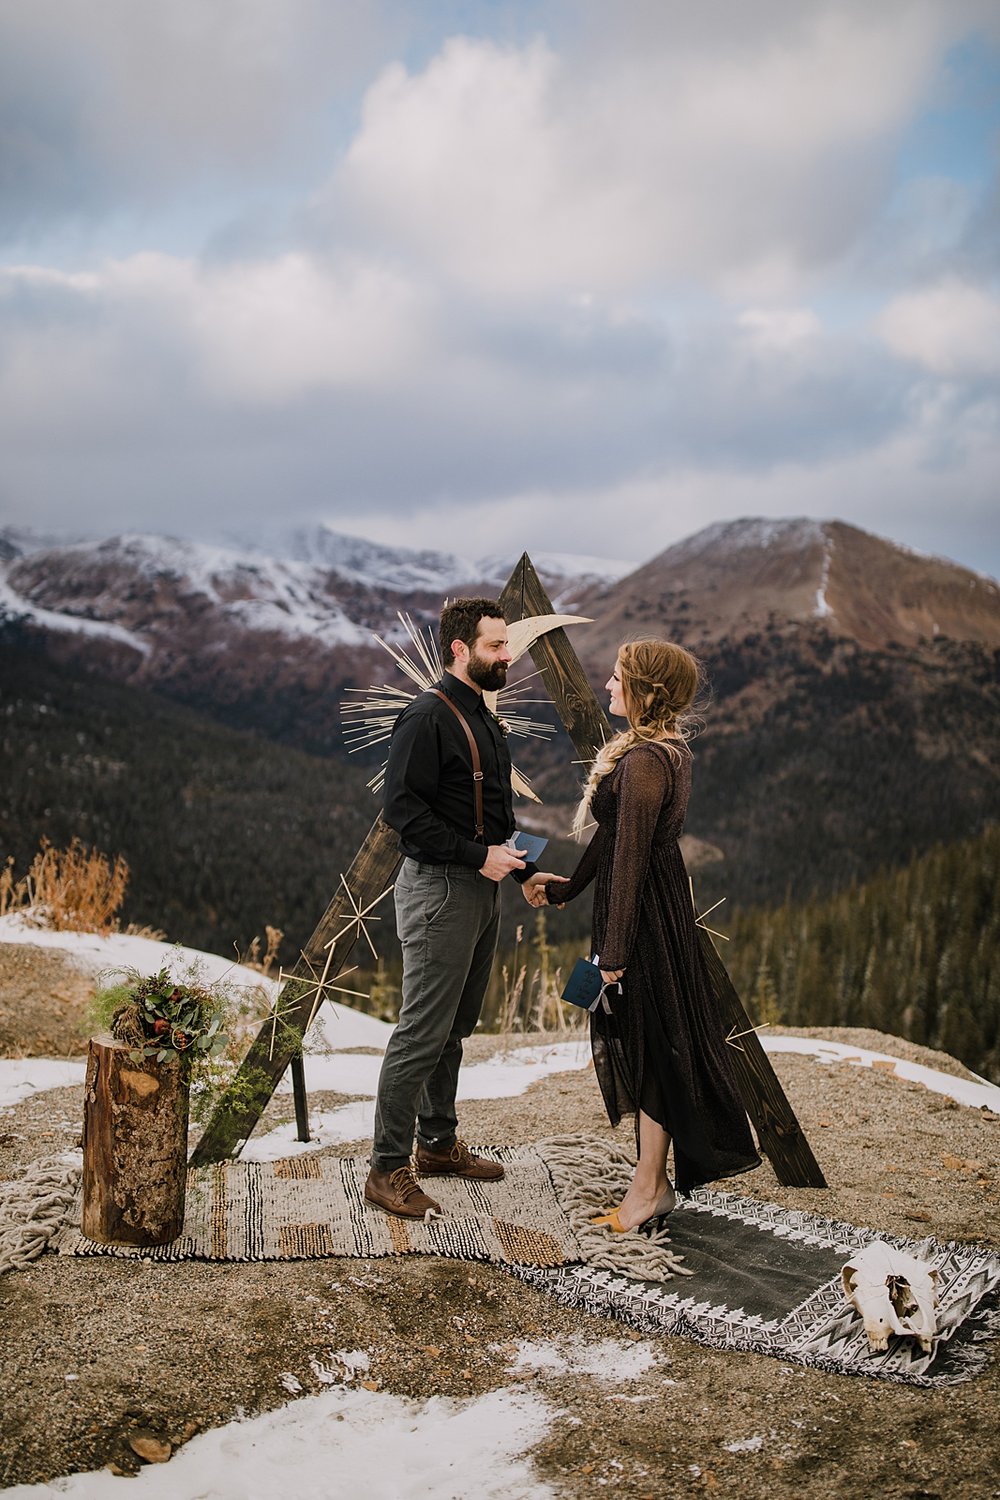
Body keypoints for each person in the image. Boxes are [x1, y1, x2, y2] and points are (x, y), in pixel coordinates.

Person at [522, 639, 761, 1231]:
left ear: (646, 691)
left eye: (618, 677)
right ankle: (649, 1183)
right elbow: (614, 838)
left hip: (644, 917)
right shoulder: (658, 753)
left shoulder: (646, 761)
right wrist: (566, 889)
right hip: (652, 908)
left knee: (656, 1044)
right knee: (655, 1043)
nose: (607, 684)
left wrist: (613, 955)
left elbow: (629, 855)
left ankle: (649, 1188)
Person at [365, 597, 561, 1219]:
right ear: (460, 649)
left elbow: (496, 815)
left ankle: (438, 1145)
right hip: (439, 890)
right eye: (496, 646)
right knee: (421, 1032)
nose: (509, 655)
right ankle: (386, 1168)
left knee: (456, 1027)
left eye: (508, 644)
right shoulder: (425, 717)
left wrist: (523, 869)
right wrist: (477, 858)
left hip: (480, 890)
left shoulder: (482, 715)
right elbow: (403, 813)